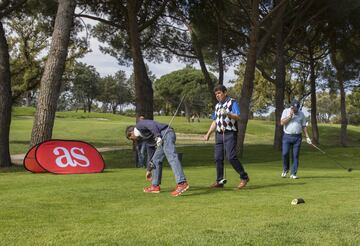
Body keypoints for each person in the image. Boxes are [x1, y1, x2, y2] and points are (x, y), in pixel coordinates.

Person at [125, 119, 189, 197]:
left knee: (172, 157)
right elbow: (150, 153)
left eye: (131, 138)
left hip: (166, 133)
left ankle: (182, 183)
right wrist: (149, 169)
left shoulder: (139, 125)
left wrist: (157, 136)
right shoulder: (144, 137)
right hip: (162, 138)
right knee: (155, 160)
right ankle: (155, 186)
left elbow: (151, 125)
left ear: (131, 133)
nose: (133, 140)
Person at [204, 84, 249, 189]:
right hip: (219, 134)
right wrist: (208, 134)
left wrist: (228, 113)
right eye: (216, 94)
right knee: (218, 158)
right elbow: (215, 121)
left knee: (231, 157)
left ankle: (244, 177)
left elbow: (238, 116)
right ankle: (219, 181)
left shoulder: (232, 102)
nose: (217, 95)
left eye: (219, 93)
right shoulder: (217, 106)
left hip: (230, 133)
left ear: (225, 93)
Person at [280, 99, 312, 179]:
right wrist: (290, 117)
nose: (296, 110)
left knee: (295, 156)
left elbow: (304, 126)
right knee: (285, 153)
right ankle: (285, 169)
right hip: (287, 136)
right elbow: (282, 123)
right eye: (294, 108)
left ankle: (293, 174)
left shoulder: (301, 114)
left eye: (297, 108)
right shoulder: (286, 111)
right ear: (291, 107)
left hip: (297, 137)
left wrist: (307, 137)